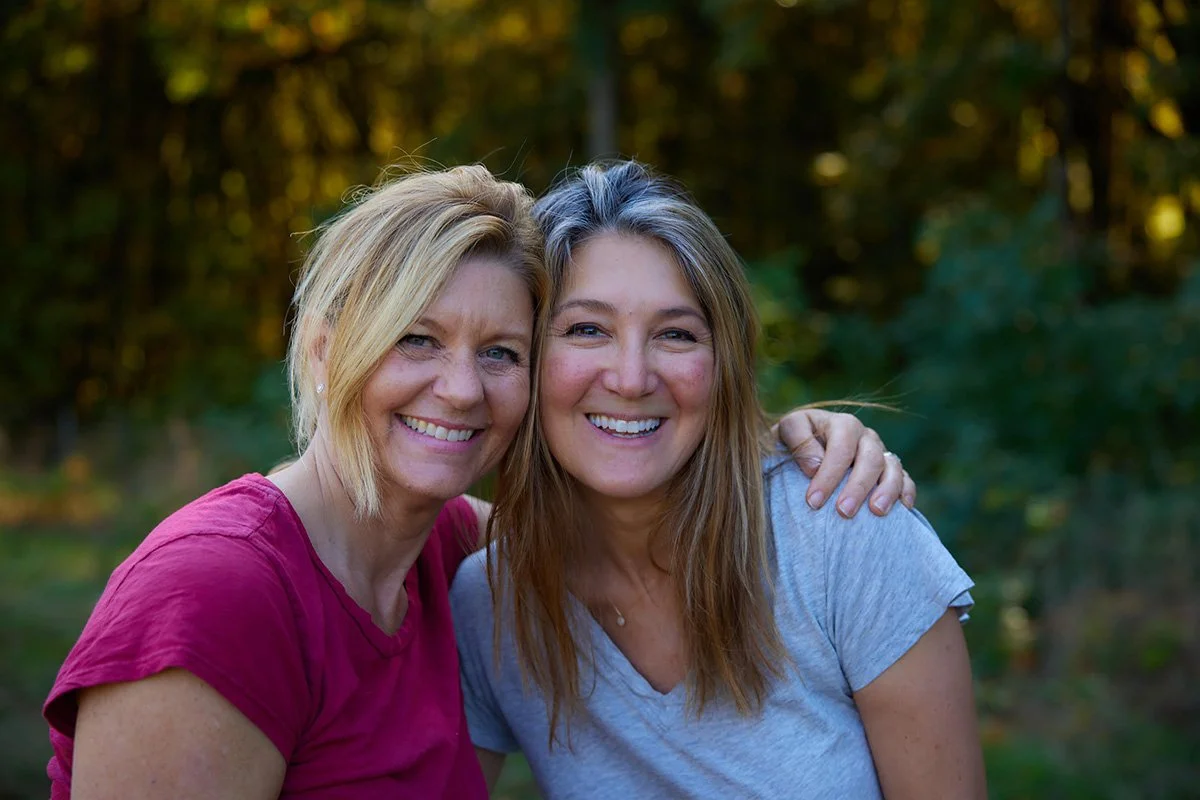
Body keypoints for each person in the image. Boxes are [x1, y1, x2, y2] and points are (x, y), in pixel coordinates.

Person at [43, 164, 911, 798]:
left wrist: (778, 444)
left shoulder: (452, 551)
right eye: (416, 340)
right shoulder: (215, 593)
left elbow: (625, 519)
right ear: (323, 351)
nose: (460, 389)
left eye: (500, 353)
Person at [451, 160, 987, 799]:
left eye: (675, 334)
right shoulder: (494, 606)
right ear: (525, 357)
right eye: (587, 329)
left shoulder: (844, 536)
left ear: (722, 367)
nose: (631, 377)